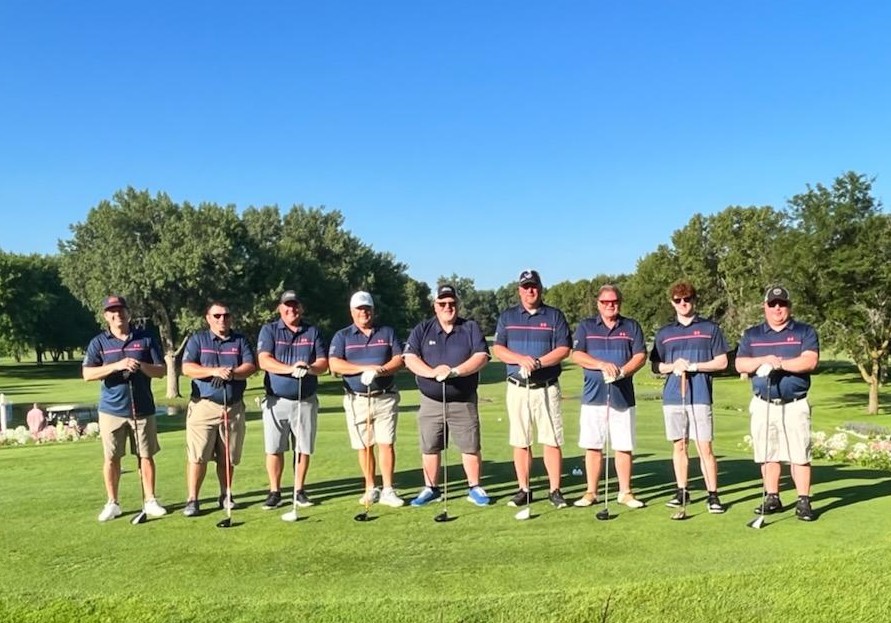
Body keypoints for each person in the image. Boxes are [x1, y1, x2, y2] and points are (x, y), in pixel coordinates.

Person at [735, 286, 820, 522]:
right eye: (772, 304)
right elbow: (740, 364)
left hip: (795, 402)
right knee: (767, 452)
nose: (777, 308)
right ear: (765, 307)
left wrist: (780, 363)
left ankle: (803, 500)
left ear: (789, 306)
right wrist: (764, 360)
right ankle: (773, 497)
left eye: (782, 304)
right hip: (763, 403)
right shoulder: (752, 334)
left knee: (799, 453)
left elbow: (810, 361)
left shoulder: (804, 331)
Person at [403, 284, 491, 507]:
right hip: (431, 400)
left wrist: (455, 371)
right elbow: (410, 358)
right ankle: (431, 488)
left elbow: (481, 356)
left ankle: (474, 487)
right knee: (430, 445)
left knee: (470, 445)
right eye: (442, 303)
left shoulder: (470, 327)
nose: (447, 307)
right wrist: (432, 373)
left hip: (463, 399)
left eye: (451, 303)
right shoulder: (423, 329)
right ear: (435, 306)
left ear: (457, 305)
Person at [82, 295, 167, 522]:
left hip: (143, 408)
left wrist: (141, 366)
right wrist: (117, 365)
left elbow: (161, 370)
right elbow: (87, 374)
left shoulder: (145, 339)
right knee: (111, 458)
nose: (117, 314)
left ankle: (150, 500)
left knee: (146, 456)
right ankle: (113, 503)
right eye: (112, 311)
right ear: (105, 316)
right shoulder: (99, 342)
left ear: (128, 313)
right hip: (111, 409)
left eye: (121, 310)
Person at [492, 269, 572, 509]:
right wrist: (520, 359)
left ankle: (554, 490)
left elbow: (563, 349)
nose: (530, 291)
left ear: (540, 288)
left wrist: (537, 362)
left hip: (546, 386)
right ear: (519, 290)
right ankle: (524, 489)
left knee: (552, 439)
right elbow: (498, 349)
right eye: (526, 287)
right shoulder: (508, 317)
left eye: (534, 286)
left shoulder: (554, 316)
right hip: (518, 387)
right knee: (521, 440)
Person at [649, 281, 729, 513]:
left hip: (700, 395)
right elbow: (655, 366)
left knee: (704, 447)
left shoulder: (709, 328)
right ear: (672, 302)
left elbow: (722, 362)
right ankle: (682, 490)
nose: (683, 303)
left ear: (694, 300)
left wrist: (694, 366)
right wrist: (672, 366)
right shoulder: (665, 333)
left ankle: (713, 495)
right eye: (678, 300)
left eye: (687, 299)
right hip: (673, 396)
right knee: (680, 445)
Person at [570, 284, 647, 509]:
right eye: (605, 302)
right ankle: (591, 492)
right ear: (598, 304)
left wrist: (622, 372)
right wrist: (601, 365)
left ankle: (625, 492)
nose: (610, 305)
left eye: (614, 301)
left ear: (619, 303)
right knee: (593, 445)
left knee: (623, 445)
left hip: (623, 396)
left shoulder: (631, 326)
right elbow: (577, 355)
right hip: (593, 395)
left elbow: (640, 356)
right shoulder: (586, 326)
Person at [329, 291, 406, 508]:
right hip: (356, 400)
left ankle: (388, 489)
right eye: (359, 309)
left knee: (386, 443)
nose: (363, 312)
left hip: (385, 397)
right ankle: (370, 487)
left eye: (367, 308)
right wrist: (364, 369)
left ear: (373, 310)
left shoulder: (387, 332)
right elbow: (335, 364)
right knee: (364, 446)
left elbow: (399, 359)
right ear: (352, 311)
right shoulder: (342, 336)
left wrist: (380, 370)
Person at [180, 301, 257, 517]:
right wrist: (214, 371)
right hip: (204, 406)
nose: (222, 319)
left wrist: (232, 373)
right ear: (208, 318)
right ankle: (193, 499)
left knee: (228, 457)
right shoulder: (198, 340)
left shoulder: (240, 340)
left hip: (233, 407)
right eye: (217, 316)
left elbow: (250, 366)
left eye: (226, 315)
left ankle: (226, 495)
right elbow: (187, 367)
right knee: (198, 456)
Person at [257, 290, 329, 510]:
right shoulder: (269, 330)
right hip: (276, 400)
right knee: (274, 448)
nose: (292, 309)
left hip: (305, 400)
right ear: (280, 308)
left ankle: (299, 490)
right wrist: (290, 368)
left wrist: (308, 367)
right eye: (287, 305)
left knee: (302, 447)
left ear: (301, 308)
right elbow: (264, 360)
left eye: (295, 305)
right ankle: (275, 492)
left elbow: (323, 363)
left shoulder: (312, 331)